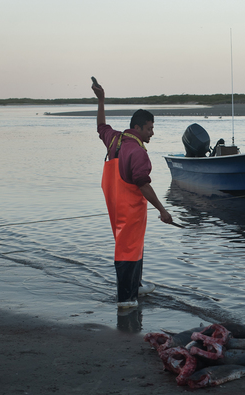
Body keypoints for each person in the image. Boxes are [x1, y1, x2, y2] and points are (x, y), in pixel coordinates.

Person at [92, 80, 173, 310]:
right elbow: (143, 184)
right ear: (137, 128)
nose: (152, 133)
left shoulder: (115, 139)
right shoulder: (138, 152)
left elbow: (100, 127)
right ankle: (126, 299)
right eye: (149, 128)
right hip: (130, 209)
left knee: (133, 246)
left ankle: (136, 285)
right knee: (127, 251)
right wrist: (162, 210)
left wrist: (101, 101)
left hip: (115, 205)